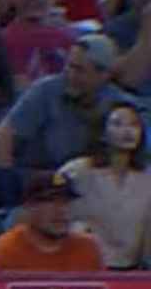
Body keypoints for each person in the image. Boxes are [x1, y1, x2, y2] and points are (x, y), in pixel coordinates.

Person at [0, 35, 130, 190]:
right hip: (39, 182)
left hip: (92, 186)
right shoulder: (45, 91)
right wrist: (6, 184)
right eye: (69, 66)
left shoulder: (121, 105)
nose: (70, 75)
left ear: (104, 75)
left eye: (79, 70)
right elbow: (3, 138)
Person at [61, 101, 151, 268]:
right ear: (102, 132)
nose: (127, 131)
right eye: (118, 123)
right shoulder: (79, 171)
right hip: (83, 267)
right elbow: (53, 208)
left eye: (134, 125)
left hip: (131, 271)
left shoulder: (147, 178)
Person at [0, 174, 106, 271]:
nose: (61, 210)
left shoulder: (88, 249)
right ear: (29, 206)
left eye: (65, 202)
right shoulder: (5, 251)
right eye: (51, 202)